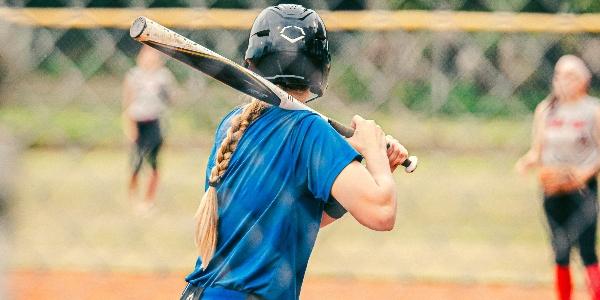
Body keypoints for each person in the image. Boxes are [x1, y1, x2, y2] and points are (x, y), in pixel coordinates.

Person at [180, 4, 408, 300]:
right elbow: (382, 214)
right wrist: (374, 151)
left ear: (252, 62)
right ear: (321, 68)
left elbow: (299, 217)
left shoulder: (234, 125)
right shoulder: (310, 131)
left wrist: (368, 172)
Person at [516, 55, 600, 300]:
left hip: (582, 190)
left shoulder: (593, 110)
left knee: (587, 249)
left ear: (584, 80)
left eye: (570, 75)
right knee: (560, 250)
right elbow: (537, 150)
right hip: (552, 188)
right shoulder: (546, 109)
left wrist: (584, 174)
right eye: (559, 75)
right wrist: (527, 162)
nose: (563, 80)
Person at [122, 45, 175, 214]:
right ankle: (133, 198)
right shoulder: (133, 75)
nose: (150, 59)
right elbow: (127, 101)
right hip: (138, 120)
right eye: (146, 56)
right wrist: (129, 125)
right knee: (136, 163)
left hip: (154, 121)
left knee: (153, 163)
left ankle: (149, 200)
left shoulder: (163, 76)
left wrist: (166, 91)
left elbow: (172, 99)